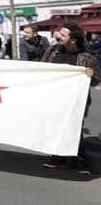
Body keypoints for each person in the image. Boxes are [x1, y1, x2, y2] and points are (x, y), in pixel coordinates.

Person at [41, 23, 100, 175]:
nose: (58, 37)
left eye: (63, 35)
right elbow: (42, 68)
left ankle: (77, 158)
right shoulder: (53, 52)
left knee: (75, 127)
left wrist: (90, 74)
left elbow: (96, 79)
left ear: (73, 40)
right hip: (55, 97)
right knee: (56, 125)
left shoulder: (86, 57)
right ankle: (57, 155)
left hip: (76, 100)